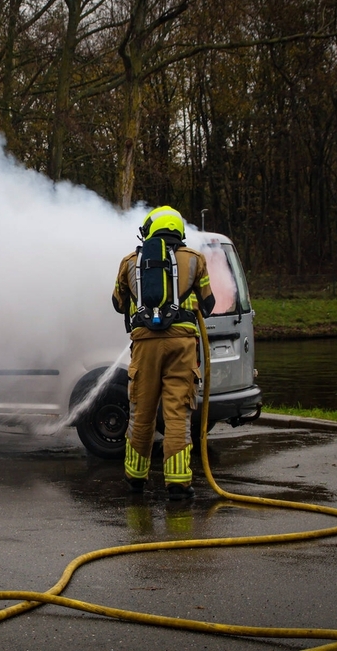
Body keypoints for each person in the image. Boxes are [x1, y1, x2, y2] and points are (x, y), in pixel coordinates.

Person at [112, 206, 215, 501]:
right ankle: (179, 484)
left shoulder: (130, 262)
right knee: (177, 414)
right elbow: (208, 305)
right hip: (182, 346)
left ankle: (135, 479)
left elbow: (118, 303)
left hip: (144, 346)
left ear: (149, 231)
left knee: (141, 414)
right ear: (179, 231)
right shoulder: (195, 260)